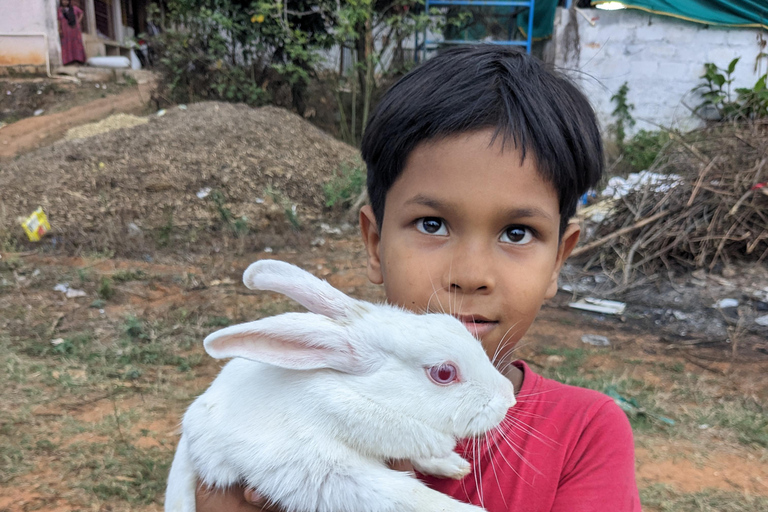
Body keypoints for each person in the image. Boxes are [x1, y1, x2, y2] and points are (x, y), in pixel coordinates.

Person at [194, 45, 642, 511]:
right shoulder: (267, 414)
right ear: (375, 244)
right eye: (432, 224)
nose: (471, 276)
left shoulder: (586, 433)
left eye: (517, 232)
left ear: (558, 260)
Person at [58, 0, 86, 66]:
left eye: (66, 1)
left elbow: (81, 13)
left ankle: (79, 59)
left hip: (74, 29)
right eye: (63, 0)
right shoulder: (60, 10)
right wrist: (59, 29)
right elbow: (59, 20)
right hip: (65, 30)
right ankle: (68, 60)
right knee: (67, 43)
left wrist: (78, 21)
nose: (65, 2)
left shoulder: (74, 8)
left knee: (76, 43)